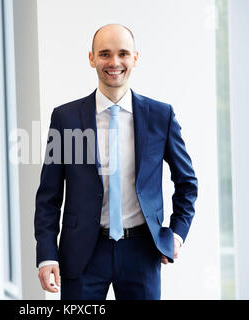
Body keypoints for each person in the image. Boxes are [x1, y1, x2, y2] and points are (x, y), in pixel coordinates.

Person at [34, 23, 198, 300]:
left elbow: (187, 182)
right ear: (91, 58)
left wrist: (177, 234)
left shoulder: (161, 116)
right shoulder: (65, 119)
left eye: (123, 53)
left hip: (142, 251)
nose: (114, 62)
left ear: (135, 58)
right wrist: (47, 255)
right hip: (82, 253)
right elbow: (48, 196)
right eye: (105, 54)